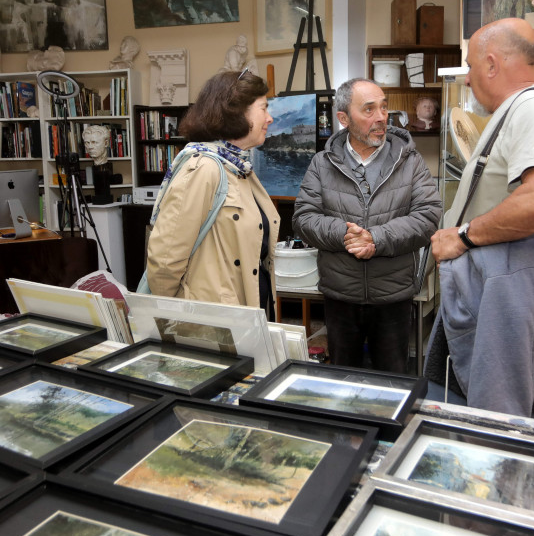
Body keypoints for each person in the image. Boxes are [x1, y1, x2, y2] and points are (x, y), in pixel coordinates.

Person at [425, 18, 534, 420]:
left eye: (472, 68)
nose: (470, 80)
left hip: (509, 301)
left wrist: (463, 236)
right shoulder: (515, 112)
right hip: (488, 299)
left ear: (491, 64)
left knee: (502, 426)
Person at [293, 78, 442, 371]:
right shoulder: (322, 164)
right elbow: (303, 217)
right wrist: (345, 235)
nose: (381, 117)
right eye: (369, 109)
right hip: (340, 296)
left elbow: (428, 215)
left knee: (393, 383)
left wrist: (376, 238)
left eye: (384, 108)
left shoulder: (409, 161)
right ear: (344, 118)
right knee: (342, 384)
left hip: (393, 297)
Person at [145, 70, 281, 313]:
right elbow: (165, 261)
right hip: (213, 319)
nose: (270, 118)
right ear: (237, 112)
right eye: (264, 108)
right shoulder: (203, 168)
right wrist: (178, 313)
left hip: (247, 309)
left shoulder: (238, 167)